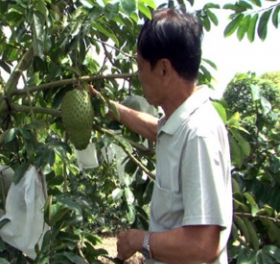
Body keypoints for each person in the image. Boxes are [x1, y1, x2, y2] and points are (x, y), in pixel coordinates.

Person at [91, 8, 233, 264]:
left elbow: (203, 246)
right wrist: (108, 106)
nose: (138, 76)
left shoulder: (199, 134)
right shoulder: (180, 123)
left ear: (164, 69)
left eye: (141, 67)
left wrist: (140, 240)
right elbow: (155, 130)